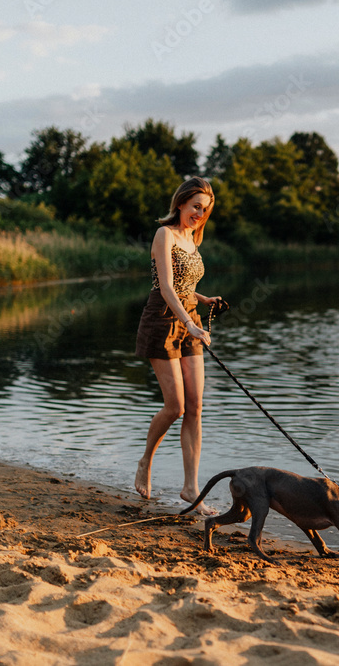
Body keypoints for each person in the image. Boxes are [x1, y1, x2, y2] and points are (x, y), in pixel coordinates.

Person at [134, 176, 224, 516]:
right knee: (175, 407)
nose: (200, 214)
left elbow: (185, 285)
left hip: (190, 320)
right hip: (163, 321)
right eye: (195, 207)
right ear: (181, 203)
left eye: (205, 210)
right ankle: (145, 461)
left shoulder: (192, 238)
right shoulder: (165, 234)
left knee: (196, 407)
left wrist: (204, 298)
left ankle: (191, 488)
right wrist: (188, 322)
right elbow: (166, 288)